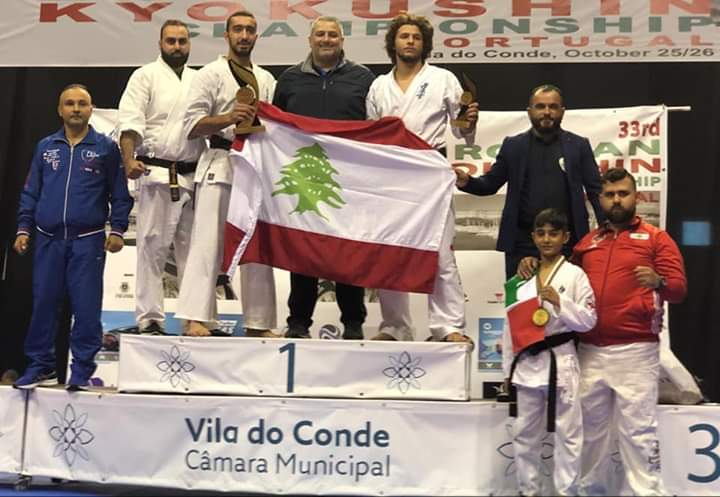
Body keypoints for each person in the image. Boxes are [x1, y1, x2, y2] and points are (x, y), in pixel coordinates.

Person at [519, 168, 687, 495]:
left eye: (623, 193)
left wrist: (659, 281)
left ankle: (647, 493)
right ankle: (589, 491)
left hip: (636, 350)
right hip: (590, 351)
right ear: (601, 200)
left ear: (636, 197)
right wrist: (529, 262)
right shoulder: (588, 242)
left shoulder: (656, 238)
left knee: (638, 432)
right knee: (589, 432)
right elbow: (559, 271)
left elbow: (679, 289)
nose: (616, 200)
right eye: (610, 195)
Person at [365, 13, 478, 343]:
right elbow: (371, 134)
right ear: (394, 43)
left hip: (430, 169)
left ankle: (448, 326)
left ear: (424, 44)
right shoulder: (378, 85)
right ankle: (394, 326)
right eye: (404, 36)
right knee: (390, 250)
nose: (410, 41)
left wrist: (469, 121)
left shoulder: (443, 78)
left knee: (441, 251)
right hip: (389, 172)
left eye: (416, 37)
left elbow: (462, 126)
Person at [13, 84, 132, 391]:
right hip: (48, 239)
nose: (76, 108)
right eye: (70, 103)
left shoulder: (106, 148)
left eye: (82, 103)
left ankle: (81, 369)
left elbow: (120, 195)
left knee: (86, 308)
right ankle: (40, 367)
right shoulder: (45, 147)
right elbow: (31, 192)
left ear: (91, 109)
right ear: (60, 110)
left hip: (87, 240)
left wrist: (117, 230)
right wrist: (23, 229)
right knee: (43, 305)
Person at [176, 10, 278, 338]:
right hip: (220, 161)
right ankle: (195, 317)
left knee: (256, 245)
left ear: (256, 36)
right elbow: (191, 126)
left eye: (250, 30)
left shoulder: (266, 79)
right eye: (238, 30)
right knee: (207, 243)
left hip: (255, 167)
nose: (244, 35)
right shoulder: (210, 74)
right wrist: (228, 117)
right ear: (227, 35)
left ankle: (258, 323)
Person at [272, 16, 375, 339]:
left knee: (347, 252)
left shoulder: (363, 78)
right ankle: (298, 323)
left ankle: (354, 323)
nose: (326, 40)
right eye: (321, 34)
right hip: (303, 178)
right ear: (310, 40)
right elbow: (275, 128)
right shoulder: (289, 80)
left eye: (333, 35)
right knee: (302, 252)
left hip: (349, 178)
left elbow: (375, 126)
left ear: (342, 41)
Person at [455, 84, 604, 280]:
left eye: (553, 107)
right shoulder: (513, 146)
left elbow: (596, 191)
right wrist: (466, 182)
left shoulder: (578, 146)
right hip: (522, 243)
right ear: (529, 111)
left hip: (569, 242)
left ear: (562, 111)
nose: (547, 112)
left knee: (568, 305)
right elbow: (490, 184)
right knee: (522, 307)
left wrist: (607, 231)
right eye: (540, 106)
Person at [118, 19, 205, 335]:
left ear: (190, 44)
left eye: (183, 41)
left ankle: (194, 318)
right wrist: (128, 160)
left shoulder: (201, 79)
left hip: (194, 175)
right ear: (160, 44)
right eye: (171, 41)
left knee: (195, 252)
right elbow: (130, 122)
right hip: (156, 172)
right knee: (152, 248)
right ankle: (150, 318)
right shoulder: (145, 76)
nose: (178, 46)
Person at [502, 208, 596, 496]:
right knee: (524, 434)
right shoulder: (521, 278)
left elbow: (589, 321)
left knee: (568, 435)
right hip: (527, 363)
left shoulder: (576, 275)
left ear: (565, 237)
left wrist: (561, 302)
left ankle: (566, 492)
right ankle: (527, 490)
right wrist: (507, 371)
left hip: (561, 360)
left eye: (553, 233)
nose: (546, 239)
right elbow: (510, 327)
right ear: (533, 237)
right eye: (540, 233)